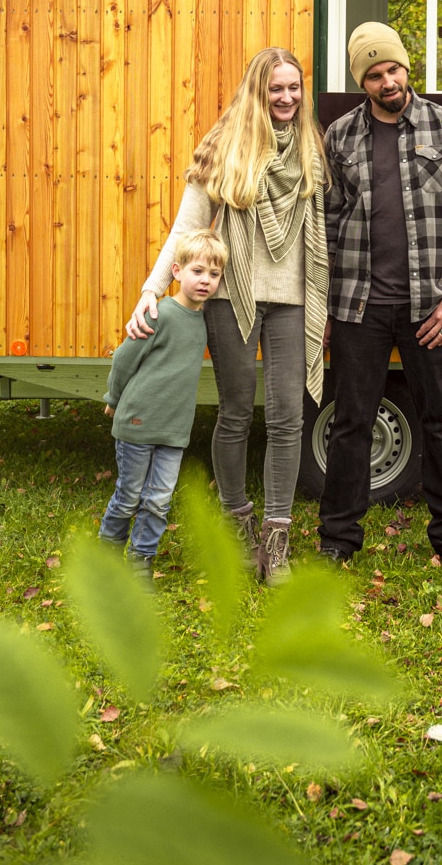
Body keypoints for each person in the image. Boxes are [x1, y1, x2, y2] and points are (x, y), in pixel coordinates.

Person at [126, 47, 328, 584]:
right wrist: (153, 288)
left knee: (289, 416)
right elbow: (187, 227)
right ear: (257, 92)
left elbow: (321, 229)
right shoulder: (223, 149)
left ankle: (277, 543)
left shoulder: (311, 146)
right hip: (230, 296)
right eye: (275, 89)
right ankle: (239, 531)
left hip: (292, 298)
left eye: (293, 87)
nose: (286, 98)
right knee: (236, 414)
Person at [317, 22, 442, 574]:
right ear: (361, 81)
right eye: (373, 73)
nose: (385, 80)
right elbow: (323, 226)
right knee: (350, 422)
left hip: (431, 307)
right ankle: (338, 541)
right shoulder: (339, 137)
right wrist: (321, 308)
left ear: (405, 68)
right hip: (356, 306)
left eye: (391, 68)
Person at [102, 230, 227, 576]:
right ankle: (108, 555)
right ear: (176, 271)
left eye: (214, 274)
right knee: (128, 497)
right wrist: (113, 398)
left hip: (174, 430)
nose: (205, 281)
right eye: (197, 271)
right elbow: (124, 359)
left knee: (158, 500)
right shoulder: (158, 313)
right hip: (138, 423)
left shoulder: (205, 322)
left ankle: (141, 562)